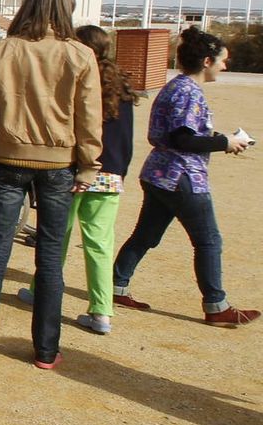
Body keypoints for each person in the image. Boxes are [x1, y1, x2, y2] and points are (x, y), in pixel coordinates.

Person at [0, 0, 101, 369]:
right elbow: (89, 117)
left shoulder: (3, 51)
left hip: (8, 162)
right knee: (50, 258)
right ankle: (46, 350)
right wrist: (88, 164)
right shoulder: (81, 55)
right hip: (59, 165)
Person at [110, 27, 259, 327]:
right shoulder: (188, 92)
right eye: (222, 60)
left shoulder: (177, 87)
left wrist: (221, 139)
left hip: (160, 174)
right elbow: (183, 139)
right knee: (209, 241)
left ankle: (116, 285)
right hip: (182, 176)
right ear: (207, 61)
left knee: (146, 235)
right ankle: (216, 305)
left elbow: (184, 134)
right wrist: (223, 142)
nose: (225, 66)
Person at [15, 25, 137, 334]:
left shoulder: (76, 80)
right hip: (109, 176)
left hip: (72, 171)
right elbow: (126, 138)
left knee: (56, 236)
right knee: (99, 245)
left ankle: (38, 289)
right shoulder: (121, 88)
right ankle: (102, 312)